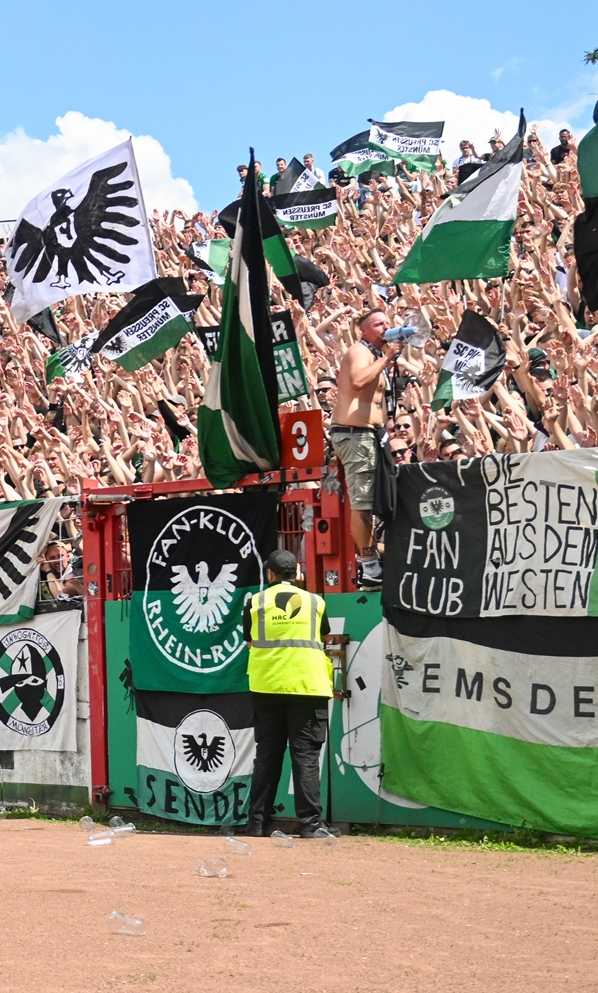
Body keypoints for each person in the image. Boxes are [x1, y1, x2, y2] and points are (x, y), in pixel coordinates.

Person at [243, 549, 333, 839]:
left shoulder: (255, 602)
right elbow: (323, 636)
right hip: (308, 686)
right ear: (296, 573)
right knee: (304, 755)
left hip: (267, 685)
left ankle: (257, 824)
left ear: (269, 574)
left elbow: (249, 640)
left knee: (267, 755)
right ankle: (310, 825)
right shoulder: (316, 602)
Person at [333, 310, 399, 586]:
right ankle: (369, 566)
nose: (386, 327)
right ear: (363, 330)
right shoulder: (361, 351)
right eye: (378, 324)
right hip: (355, 435)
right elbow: (358, 382)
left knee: (373, 499)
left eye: (387, 322)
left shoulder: (374, 354)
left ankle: (372, 560)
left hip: (369, 435)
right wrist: (386, 358)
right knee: (362, 502)